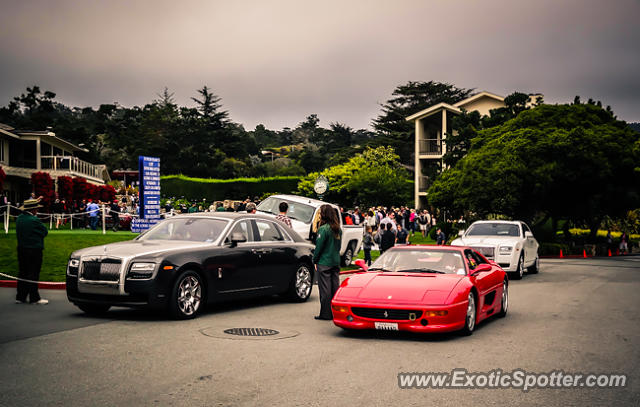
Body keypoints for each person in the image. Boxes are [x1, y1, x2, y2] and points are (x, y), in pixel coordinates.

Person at [15, 198, 49, 304]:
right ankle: (34, 298)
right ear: (33, 209)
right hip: (34, 249)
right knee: (33, 273)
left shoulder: (19, 218)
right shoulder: (34, 220)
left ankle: (20, 296)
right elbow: (44, 231)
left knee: (23, 272)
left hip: (22, 248)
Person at [313, 204, 342, 320]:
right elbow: (339, 246)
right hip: (335, 261)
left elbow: (318, 247)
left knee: (325, 290)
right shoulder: (337, 229)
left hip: (324, 262)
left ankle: (325, 313)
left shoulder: (323, 229)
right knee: (335, 288)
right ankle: (335, 312)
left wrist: (315, 260)